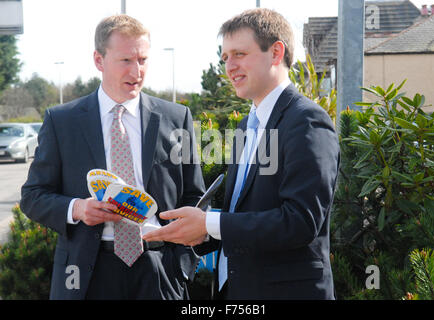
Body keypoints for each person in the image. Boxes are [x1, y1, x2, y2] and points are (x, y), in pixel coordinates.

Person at [143, 8, 340, 300]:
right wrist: (201, 232)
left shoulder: (307, 121)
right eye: (225, 57)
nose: (229, 67)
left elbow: (301, 221)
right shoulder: (248, 124)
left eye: (239, 54)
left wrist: (210, 223)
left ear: (275, 52)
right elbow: (244, 217)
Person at [20, 14, 205, 300]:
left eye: (143, 60)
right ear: (99, 60)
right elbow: (33, 196)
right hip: (87, 274)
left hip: (159, 268)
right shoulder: (62, 121)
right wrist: (78, 208)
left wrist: (186, 249)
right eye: (126, 61)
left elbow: (193, 196)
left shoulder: (176, 117)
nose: (137, 71)